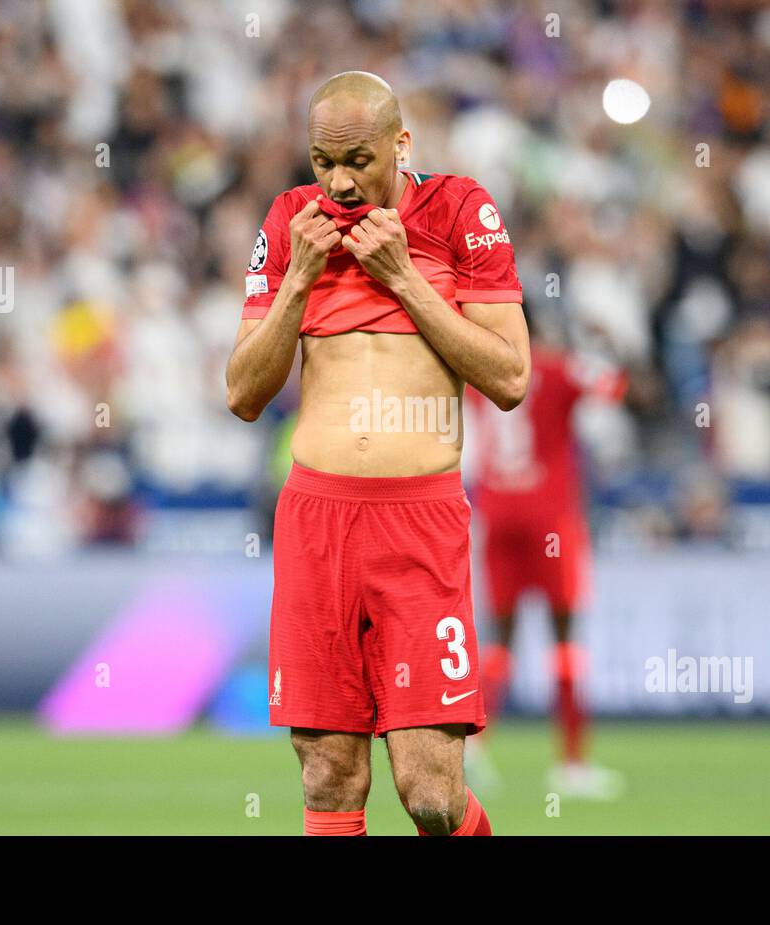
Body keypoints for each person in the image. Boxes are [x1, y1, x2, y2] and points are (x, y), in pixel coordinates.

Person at [225, 71, 530, 836]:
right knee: (329, 772)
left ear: (401, 143)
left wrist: (403, 279)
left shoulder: (461, 209)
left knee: (429, 789)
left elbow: (509, 376)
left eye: (357, 160)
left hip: (418, 524)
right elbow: (243, 393)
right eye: (322, 161)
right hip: (317, 520)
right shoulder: (292, 219)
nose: (338, 180)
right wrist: (298, 277)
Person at [465, 308, 626, 799]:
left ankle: (474, 748)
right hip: (549, 516)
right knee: (565, 641)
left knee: (499, 640)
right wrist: (601, 344)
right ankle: (572, 762)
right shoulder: (554, 366)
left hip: (496, 510)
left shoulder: (478, 373)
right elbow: (615, 388)